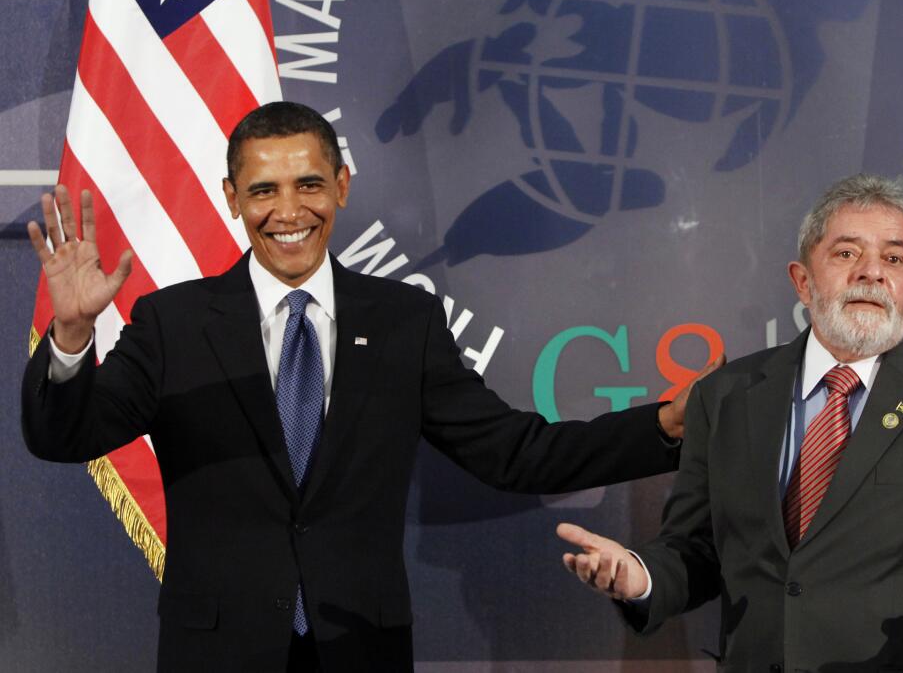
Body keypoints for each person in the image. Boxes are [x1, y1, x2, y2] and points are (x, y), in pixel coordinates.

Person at [21, 101, 717, 672]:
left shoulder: (401, 321)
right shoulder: (173, 323)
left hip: (361, 649)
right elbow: (65, 435)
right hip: (218, 654)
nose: (287, 210)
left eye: (309, 185)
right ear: (231, 199)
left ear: (343, 186)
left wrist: (663, 428)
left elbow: (515, 453)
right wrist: (74, 336)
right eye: (263, 189)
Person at [559, 174, 903, 671]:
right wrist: (641, 577)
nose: (872, 272)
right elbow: (696, 550)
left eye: (894, 258)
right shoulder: (727, 396)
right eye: (847, 254)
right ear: (802, 281)